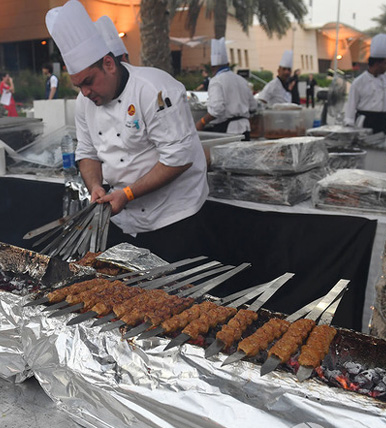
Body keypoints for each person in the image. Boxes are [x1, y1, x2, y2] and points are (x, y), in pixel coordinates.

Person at [45, 0, 208, 252]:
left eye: (89, 81)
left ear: (109, 64)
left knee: (178, 290)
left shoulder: (154, 89)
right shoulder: (84, 102)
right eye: (79, 86)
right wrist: (95, 186)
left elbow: (179, 158)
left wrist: (127, 194)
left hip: (174, 216)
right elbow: (87, 153)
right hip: (123, 219)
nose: (85, 92)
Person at [196, 37, 256, 143]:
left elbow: (217, 109)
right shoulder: (241, 80)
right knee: (245, 158)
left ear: (212, 67)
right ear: (228, 64)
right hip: (245, 129)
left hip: (228, 131)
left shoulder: (216, 81)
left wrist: (202, 122)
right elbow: (253, 106)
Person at [343, 33, 386, 134]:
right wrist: (349, 129)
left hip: (382, 122)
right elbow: (351, 107)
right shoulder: (358, 82)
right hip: (365, 122)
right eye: (385, 63)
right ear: (377, 64)